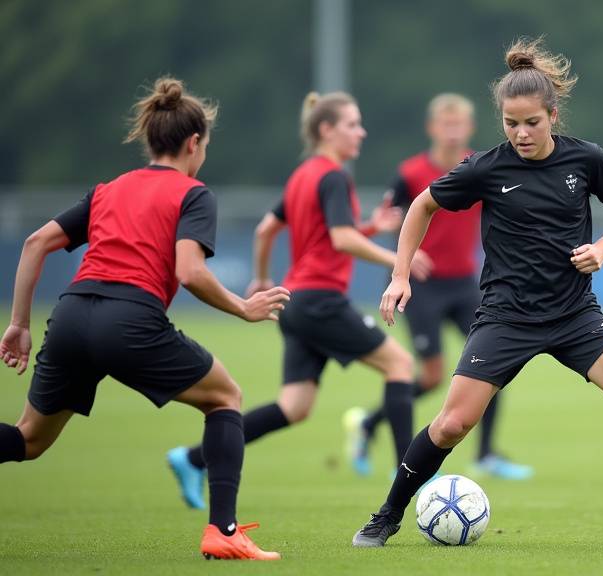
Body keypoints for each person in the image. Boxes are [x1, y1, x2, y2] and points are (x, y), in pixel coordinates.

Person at [351, 38, 603, 549]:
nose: (521, 133)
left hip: (575, 314)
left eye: (531, 122)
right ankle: (386, 515)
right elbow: (421, 206)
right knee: (451, 425)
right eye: (511, 123)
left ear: (552, 114)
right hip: (507, 317)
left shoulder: (586, 160)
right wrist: (399, 276)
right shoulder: (488, 168)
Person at [0, 77, 285, 560]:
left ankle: (224, 531)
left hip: (69, 315)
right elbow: (190, 271)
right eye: (205, 146)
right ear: (194, 143)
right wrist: (243, 308)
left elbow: (34, 244)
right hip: (128, 319)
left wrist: (19, 324)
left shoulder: (108, 189)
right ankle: (224, 531)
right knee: (225, 398)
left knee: (27, 440)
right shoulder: (193, 194)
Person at [167, 90, 429, 509]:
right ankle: (408, 477)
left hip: (294, 301)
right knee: (399, 365)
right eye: (352, 124)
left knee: (294, 406)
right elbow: (339, 240)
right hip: (321, 300)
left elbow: (266, 230)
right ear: (327, 129)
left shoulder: (303, 175)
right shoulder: (333, 176)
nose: (361, 132)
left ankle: (192, 458)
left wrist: (262, 277)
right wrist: (401, 257)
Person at [346, 93, 533, 480]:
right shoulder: (411, 172)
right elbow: (392, 218)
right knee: (431, 376)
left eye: (458, 125)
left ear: (469, 128)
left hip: (465, 283)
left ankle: (485, 456)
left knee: (497, 362)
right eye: (445, 125)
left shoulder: (480, 167)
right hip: (422, 285)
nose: (451, 132)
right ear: (432, 128)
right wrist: (402, 262)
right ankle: (369, 424)